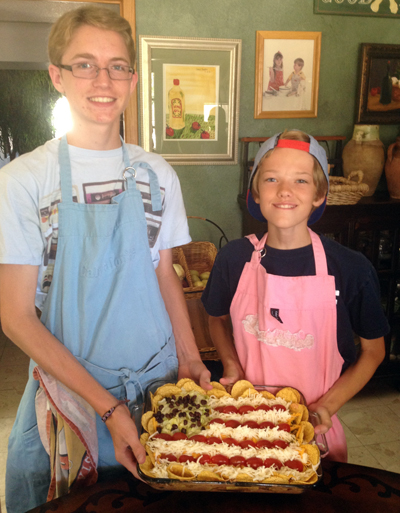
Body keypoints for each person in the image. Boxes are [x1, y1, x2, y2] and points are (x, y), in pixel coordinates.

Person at [0, 6, 211, 513]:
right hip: (73, 394)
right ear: (57, 75)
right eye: (85, 64)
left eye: (118, 65)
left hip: (159, 384)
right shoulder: (24, 181)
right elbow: (15, 317)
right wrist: (110, 407)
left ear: (133, 79)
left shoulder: (157, 174)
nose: (103, 79)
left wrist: (189, 357)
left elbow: (165, 271)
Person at [201, 130, 389, 462]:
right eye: (271, 178)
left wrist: (325, 407)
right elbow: (214, 318)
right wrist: (231, 363)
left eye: (301, 180)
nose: (285, 191)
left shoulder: (350, 268)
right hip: (244, 426)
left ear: (320, 194)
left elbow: (373, 352)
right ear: (256, 192)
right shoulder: (234, 258)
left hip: (313, 430)